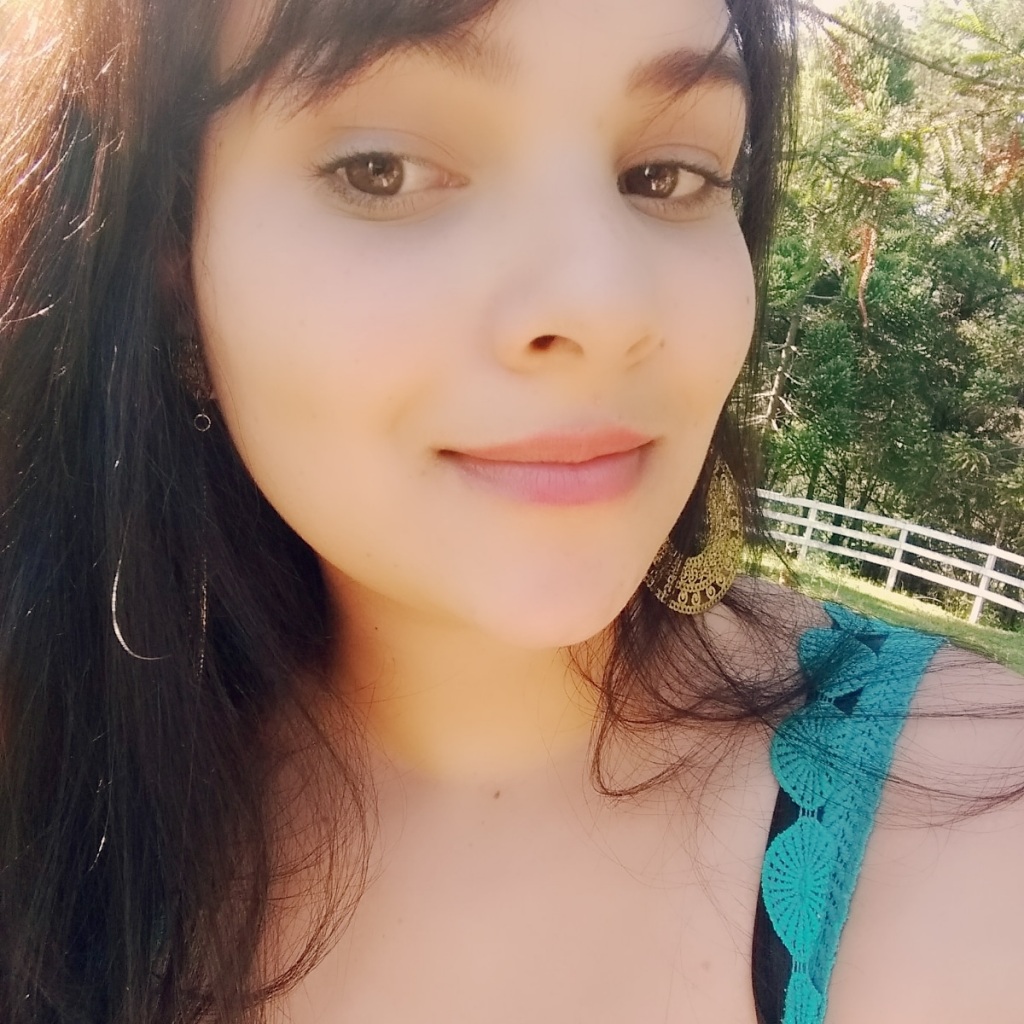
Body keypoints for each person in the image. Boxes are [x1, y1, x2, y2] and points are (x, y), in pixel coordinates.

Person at [1, 0, 1022, 1022]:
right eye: (384, 169)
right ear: (168, 254)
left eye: (665, 175)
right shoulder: (58, 772)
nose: (605, 305)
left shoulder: (976, 844)